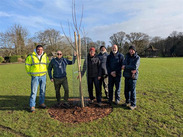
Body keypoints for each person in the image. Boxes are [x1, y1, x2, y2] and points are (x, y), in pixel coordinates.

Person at [25, 45, 50, 112]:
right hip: (35, 77)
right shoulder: (31, 57)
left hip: (43, 76)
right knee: (33, 91)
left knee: (42, 91)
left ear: (43, 50)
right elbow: (27, 66)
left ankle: (41, 103)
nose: (40, 51)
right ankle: (32, 106)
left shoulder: (45, 56)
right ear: (36, 50)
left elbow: (47, 65)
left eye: (41, 49)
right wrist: (31, 73)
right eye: (38, 49)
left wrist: (45, 72)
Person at [122, 45, 140, 110]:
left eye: (132, 50)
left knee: (132, 91)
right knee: (126, 90)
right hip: (126, 75)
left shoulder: (137, 58)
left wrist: (126, 67)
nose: (131, 51)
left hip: (133, 76)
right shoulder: (127, 56)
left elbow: (135, 67)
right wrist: (128, 66)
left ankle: (133, 104)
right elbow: (123, 64)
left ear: (134, 51)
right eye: (130, 49)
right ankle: (127, 101)